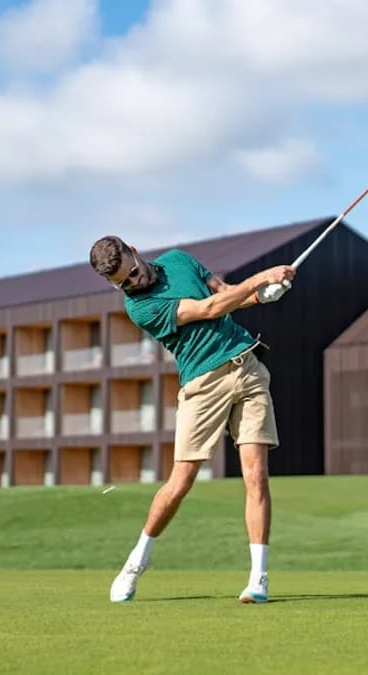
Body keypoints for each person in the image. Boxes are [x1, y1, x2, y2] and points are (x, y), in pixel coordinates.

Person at [89, 236, 295, 603]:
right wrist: (263, 277)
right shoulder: (140, 307)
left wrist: (262, 296)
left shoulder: (179, 260)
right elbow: (210, 309)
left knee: (256, 475)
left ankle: (258, 579)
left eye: (133, 273)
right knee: (181, 481)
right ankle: (137, 560)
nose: (134, 282)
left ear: (134, 251)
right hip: (202, 385)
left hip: (247, 368)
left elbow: (226, 294)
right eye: (123, 283)